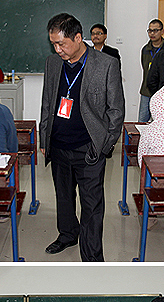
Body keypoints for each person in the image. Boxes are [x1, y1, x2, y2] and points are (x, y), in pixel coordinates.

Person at [39, 13, 125, 262]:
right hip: (58, 144)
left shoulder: (106, 64)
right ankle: (67, 234)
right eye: (53, 44)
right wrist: (45, 139)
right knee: (64, 197)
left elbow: (116, 110)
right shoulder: (53, 63)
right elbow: (47, 102)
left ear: (78, 38)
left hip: (89, 148)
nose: (57, 49)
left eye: (61, 44)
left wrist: (104, 146)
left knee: (92, 205)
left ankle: (92, 257)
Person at [138, 19, 164, 122]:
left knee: (161, 121)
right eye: (150, 31)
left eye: (155, 30)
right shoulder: (145, 49)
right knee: (142, 121)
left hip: (163, 91)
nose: (152, 33)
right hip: (146, 91)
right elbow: (145, 67)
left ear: (162, 31)